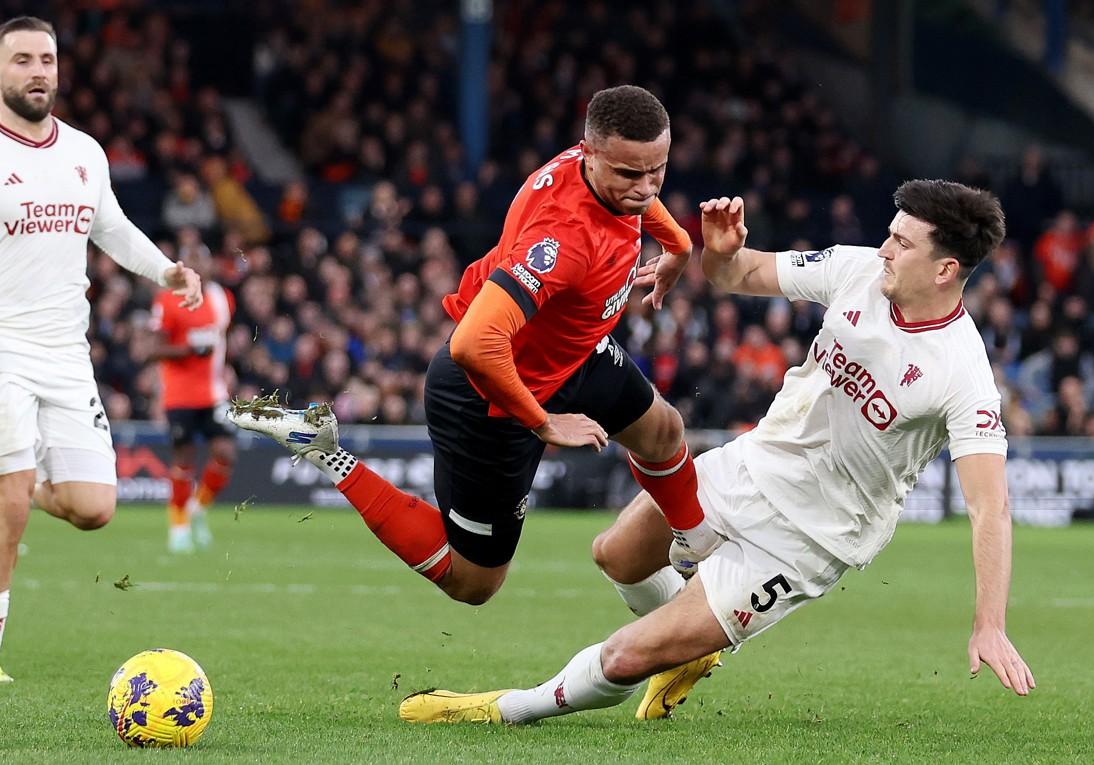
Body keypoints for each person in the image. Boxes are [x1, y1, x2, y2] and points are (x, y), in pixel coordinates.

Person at [398, 180, 1037, 726]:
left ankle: (504, 709)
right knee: (615, 554)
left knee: (625, 657)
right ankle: (692, 650)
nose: (885, 249)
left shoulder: (962, 374)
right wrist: (720, 253)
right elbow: (739, 274)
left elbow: (991, 510)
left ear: (946, 268)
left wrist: (989, 623)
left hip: (813, 534)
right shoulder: (858, 270)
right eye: (889, 234)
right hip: (753, 465)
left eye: (902, 242)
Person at [229, 85, 717, 606]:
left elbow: (639, 197)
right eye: (630, 174)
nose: (646, 188)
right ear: (590, 153)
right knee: (474, 583)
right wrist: (545, 424)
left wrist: (679, 244)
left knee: (664, 430)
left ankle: (695, 549)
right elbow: (474, 346)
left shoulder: (603, 170)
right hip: (491, 395)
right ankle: (329, 454)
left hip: (573, 352)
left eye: (657, 170)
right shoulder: (563, 237)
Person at [0, 16, 202, 683]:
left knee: (94, 508)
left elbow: (112, 229)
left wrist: (167, 272)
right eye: (23, 60)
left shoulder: (85, 152)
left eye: (48, 60)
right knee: (10, 506)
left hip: (66, 355)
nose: (39, 71)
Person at [149, 242, 236, 553]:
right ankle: (178, 526)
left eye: (204, 260)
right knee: (183, 459)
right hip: (180, 396)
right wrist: (189, 349)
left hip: (213, 394)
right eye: (192, 262)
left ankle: (197, 509)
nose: (199, 268)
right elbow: (153, 349)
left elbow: (223, 341)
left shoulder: (222, 298)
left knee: (226, 452)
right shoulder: (168, 299)